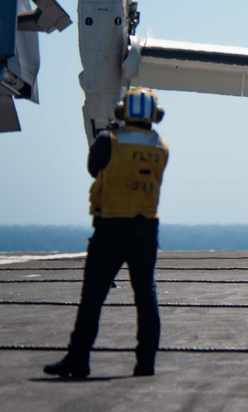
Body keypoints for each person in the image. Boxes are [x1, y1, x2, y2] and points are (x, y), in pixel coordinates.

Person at [44, 87, 169, 378]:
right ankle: (146, 362)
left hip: (111, 227)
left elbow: (93, 168)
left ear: (123, 112)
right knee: (146, 295)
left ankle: (78, 358)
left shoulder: (108, 140)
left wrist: (109, 132)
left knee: (93, 296)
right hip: (146, 228)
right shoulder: (161, 146)